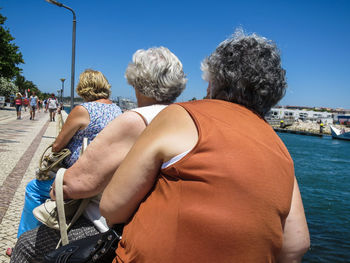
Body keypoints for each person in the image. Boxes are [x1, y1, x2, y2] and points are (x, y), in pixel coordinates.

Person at [100, 29, 310, 263]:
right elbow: (296, 246)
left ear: (213, 82)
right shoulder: (280, 150)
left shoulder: (182, 115)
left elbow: (111, 207)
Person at [10, 47, 187, 263]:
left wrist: (58, 188)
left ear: (135, 80)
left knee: (26, 245)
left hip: (112, 230)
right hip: (159, 228)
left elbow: (73, 187)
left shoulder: (136, 119)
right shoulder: (182, 118)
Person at [14, 69, 122, 242]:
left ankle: (25, 240)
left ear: (84, 87)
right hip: (107, 175)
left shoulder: (83, 110)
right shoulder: (117, 110)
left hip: (81, 176)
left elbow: (57, 146)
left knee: (34, 188)